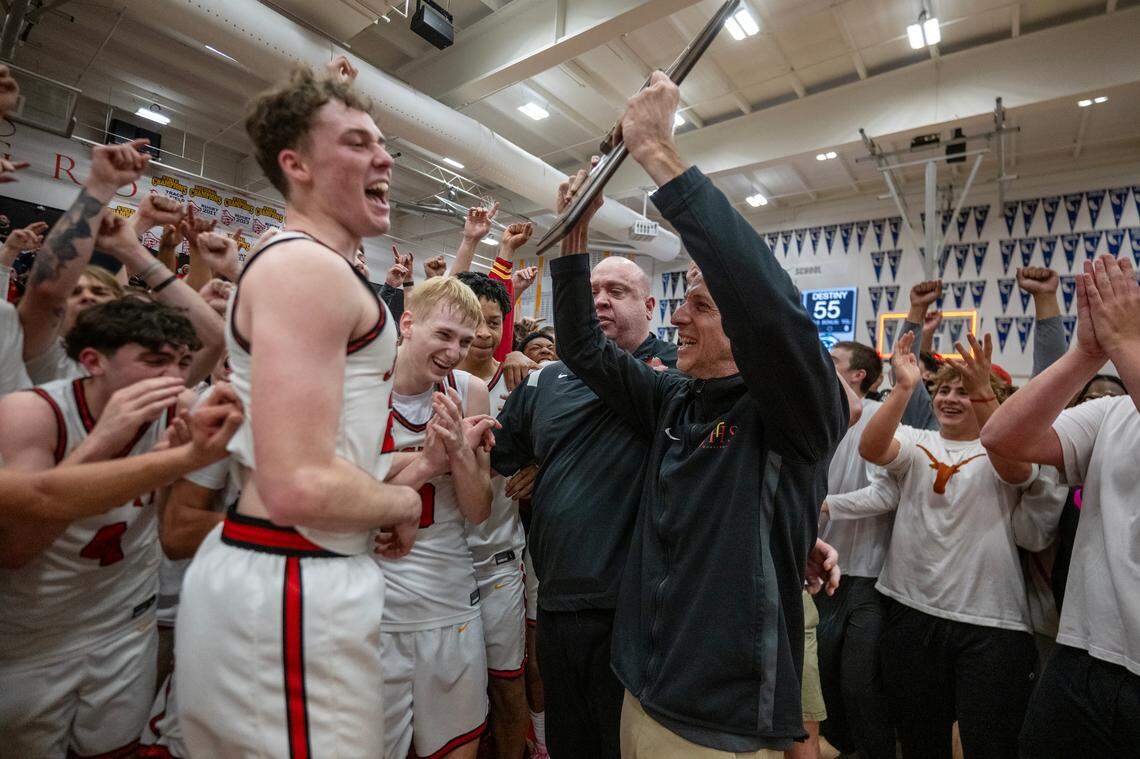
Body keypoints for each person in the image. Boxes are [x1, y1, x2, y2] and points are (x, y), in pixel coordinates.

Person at [549, 71, 847, 756]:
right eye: (683, 299)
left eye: (702, 305)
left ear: (745, 325)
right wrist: (575, 236)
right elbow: (585, 351)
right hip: (642, 685)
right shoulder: (677, 398)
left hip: (719, 720)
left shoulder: (794, 412)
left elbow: (771, 306)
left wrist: (657, 151)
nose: (678, 316)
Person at [174, 63, 432, 757]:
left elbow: (317, 451)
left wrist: (382, 474)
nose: (382, 157)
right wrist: (399, 504)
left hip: (297, 570)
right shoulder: (306, 268)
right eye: (355, 142)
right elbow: (295, 484)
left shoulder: (318, 267)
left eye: (382, 143)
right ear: (296, 165)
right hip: (287, 574)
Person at [826, 328, 1063, 758]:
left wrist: (986, 396)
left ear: (992, 399)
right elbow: (872, 448)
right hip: (910, 614)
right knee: (919, 742)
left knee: (989, 744)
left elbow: (1013, 469)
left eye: (965, 391)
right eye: (945, 390)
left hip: (991, 624)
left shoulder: (1008, 448)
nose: (951, 399)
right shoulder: (920, 441)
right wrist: (903, 387)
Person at [491, 250, 677, 756]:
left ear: (650, 304)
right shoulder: (547, 379)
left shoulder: (671, 375)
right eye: (593, 290)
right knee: (570, 739)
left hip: (633, 607)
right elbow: (505, 454)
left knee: (623, 746)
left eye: (617, 292)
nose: (600, 301)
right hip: (555, 598)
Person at [0, 298, 204, 757]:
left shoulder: (181, 410)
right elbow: (14, 551)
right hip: (31, 633)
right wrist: (102, 444)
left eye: (182, 363)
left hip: (125, 621)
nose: (173, 379)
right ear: (93, 361)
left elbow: (173, 533)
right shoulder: (33, 413)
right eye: (155, 362)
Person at [981, 254, 1140, 758]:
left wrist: (1125, 345)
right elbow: (1002, 437)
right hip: (1083, 653)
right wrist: (1086, 354)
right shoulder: (1114, 412)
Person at [815, 282, 941, 759]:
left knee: (860, 686)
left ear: (861, 377)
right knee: (823, 681)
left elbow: (885, 493)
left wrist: (826, 505)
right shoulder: (817, 416)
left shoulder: (878, 420)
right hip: (818, 574)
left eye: (832, 366)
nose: (820, 372)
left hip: (867, 577)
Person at [375, 275, 495, 759]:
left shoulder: (468, 391)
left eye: (464, 341)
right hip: (371, 601)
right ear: (407, 323)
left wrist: (460, 457)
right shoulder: (358, 384)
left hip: (447, 596)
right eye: (444, 335)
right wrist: (426, 464)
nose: (454, 351)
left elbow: (479, 510)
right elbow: (342, 501)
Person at [456, 270, 532, 758]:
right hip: (442, 564)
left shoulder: (522, 379)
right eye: (474, 321)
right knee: (455, 701)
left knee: (508, 689)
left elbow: (560, 446)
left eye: (494, 322)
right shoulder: (429, 379)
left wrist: (540, 468)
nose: (484, 332)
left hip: (501, 560)